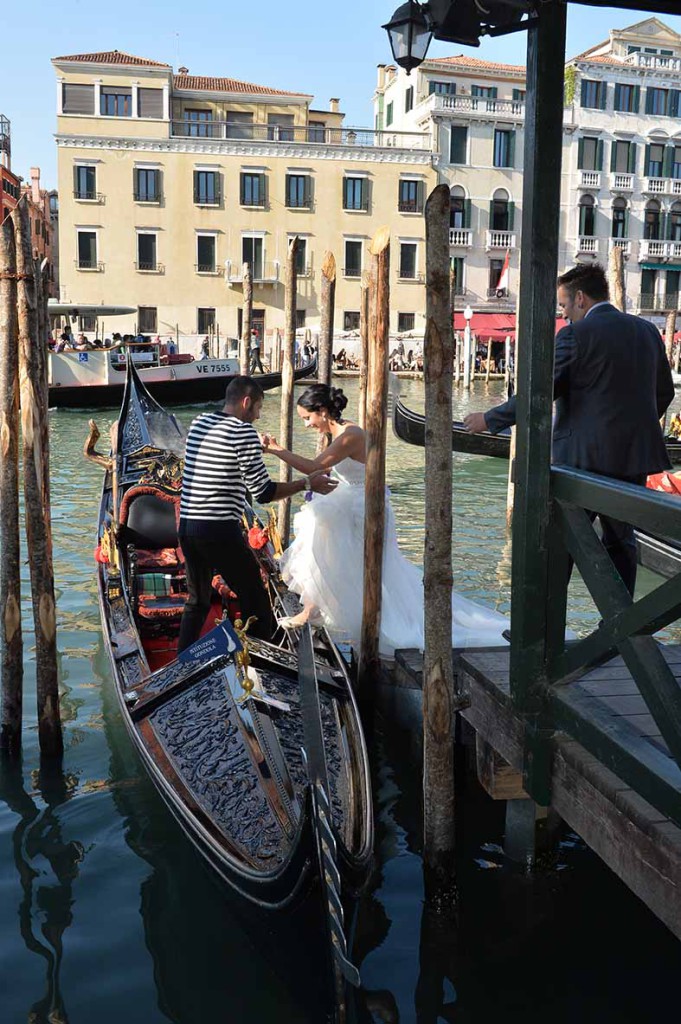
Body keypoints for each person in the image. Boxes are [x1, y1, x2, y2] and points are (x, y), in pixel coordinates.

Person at [463, 263, 675, 597]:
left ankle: (544, 634)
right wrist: (631, 430)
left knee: (561, 540)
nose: (563, 315)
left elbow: (540, 393)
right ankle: (617, 629)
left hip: (581, 461)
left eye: (563, 306)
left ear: (580, 298)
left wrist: (489, 419)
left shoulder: (576, 335)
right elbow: (664, 394)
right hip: (633, 458)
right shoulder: (647, 331)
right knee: (621, 540)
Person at [261, 383, 509, 655]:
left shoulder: (350, 435)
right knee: (322, 546)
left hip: (366, 507)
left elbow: (315, 466)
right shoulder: (340, 433)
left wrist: (276, 450)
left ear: (322, 411)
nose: (307, 425)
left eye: (307, 418)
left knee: (366, 565)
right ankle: (313, 607)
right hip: (352, 502)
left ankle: (316, 610)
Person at [177, 376, 336, 652]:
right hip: (218, 530)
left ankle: (182, 660)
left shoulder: (200, 422)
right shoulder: (243, 433)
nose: (258, 416)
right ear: (246, 402)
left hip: (188, 526)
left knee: (198, 601)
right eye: (259, 409)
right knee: (256, 599)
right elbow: (263, 492)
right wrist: (307, 484)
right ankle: (268, 661)